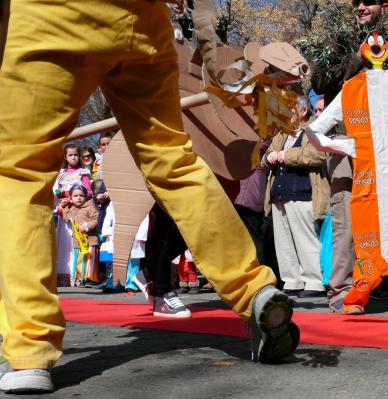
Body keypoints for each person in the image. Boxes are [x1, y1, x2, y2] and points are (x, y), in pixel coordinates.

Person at [0, 0, 298, 392]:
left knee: (21, 171)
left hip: (49, 15)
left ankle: (30, 347)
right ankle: (253, 289)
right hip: (142, 21)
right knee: (173, 161)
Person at [310, 0, 388, 315]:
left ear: (383, 6)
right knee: (346, 215)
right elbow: (317, 82)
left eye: (367, 1)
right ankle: (341, 289)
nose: (360, 6)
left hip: (383, 139)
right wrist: (357, 57)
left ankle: (386, 283)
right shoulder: (337, 38)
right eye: (355, 1)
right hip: (344, 138)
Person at [262, 96, 330, 298]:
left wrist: (285, 155)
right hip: (279, 195)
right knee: (283, 243)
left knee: (305, 239)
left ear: (302, 112)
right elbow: (264, 158)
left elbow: (318, 154)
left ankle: (314, 281)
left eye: (287, 110)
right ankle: (292, 280)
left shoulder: (314, 129)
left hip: (302, 193)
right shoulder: (281, 134)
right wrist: (269, 157)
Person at [58, 185, 100, 287]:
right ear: (71, 198)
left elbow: (97, 219)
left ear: (86, 197)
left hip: (90, 240)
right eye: (75, 196)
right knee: (80, 259)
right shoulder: (72, 209)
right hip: (78, 240)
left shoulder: (90, 208)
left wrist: (86, 226)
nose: (78, 198)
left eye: (81, 195)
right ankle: (80, 279)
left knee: (90, 259)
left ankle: (90, 279)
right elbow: (68, 218)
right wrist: (64, 207)